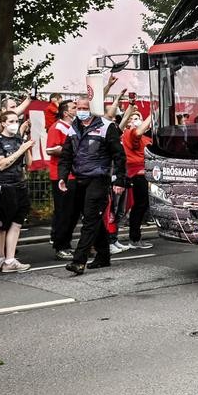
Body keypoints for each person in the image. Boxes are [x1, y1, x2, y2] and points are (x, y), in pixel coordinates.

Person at [59, 96, 127, 274]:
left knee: (90, 218)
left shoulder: (106, 126)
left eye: (84, 107)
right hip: (80, 178)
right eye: (78, 107)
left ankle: (79, 261)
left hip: (99, 178)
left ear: (92, 108)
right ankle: (103, 255)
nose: (80, 110)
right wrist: (62, 177)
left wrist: (120, 180)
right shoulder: (73, 128)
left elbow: (119, 155)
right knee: (93, 218)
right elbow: (66, 155)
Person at [0, 110, 33, 272]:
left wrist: (27, 147)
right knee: (1, 223)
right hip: (4, 185)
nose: (15, 124)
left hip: (19, 183)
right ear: (3, 123)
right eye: (11, 121)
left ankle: (10, 259)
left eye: (17, 121)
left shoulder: (18, 139)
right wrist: (21, 150)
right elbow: (0, 164)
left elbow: (29, 162)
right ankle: (1, 258)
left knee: (16, 223)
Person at [120, 96, 154, 250]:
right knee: (139, 206)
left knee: (142, 206)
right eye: (133, 118)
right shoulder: (130, 134)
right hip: (138, 174)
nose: (136, 120)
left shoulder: (146, 138)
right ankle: (134, 238)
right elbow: (139, 131)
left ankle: (135, 236)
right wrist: (153, 114)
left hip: (145, 173)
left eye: (138, 117)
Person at [46, 99, 77, 260]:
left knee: (72, 212)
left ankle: (66, 243)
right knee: (63, 211)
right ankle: (60, 245)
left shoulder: (74, 127)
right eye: (74, 107)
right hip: (61, 175)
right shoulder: (57, 127)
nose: (77, 109)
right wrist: (71, 149)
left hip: (74, 174)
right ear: (66, 112)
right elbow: (50, 149)